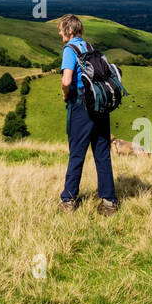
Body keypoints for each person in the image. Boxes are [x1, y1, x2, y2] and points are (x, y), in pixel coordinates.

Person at [57, 14, 118, 215]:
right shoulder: (90, 47)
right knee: (102, 153)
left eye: (60, 29)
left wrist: (66, 96)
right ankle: (109, 202)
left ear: (69, 30)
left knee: (77, 153)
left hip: (81, 105)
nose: (59, 33)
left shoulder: (70, 49)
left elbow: (66, 80)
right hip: (100, 105)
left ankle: (68, 200)